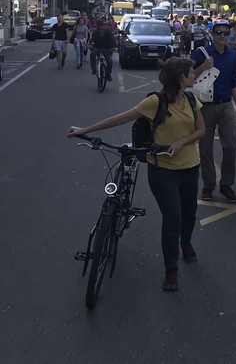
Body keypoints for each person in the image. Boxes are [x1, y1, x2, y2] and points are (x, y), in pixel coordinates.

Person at [67, 57, 205, 292]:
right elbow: (120, 118)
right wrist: (85, 130)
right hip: (163, 171)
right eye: (192, 74)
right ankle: (171, 270)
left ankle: (186, 242)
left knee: (189, 214)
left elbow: (201, 130)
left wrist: (182, 141)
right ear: (182, 78)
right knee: (173, 219)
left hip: (190, 167)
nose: (195, 77)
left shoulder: (192, 100)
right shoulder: (155, 102)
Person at [191, 19, 236, 204]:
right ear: (212, 35)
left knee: (230, 145)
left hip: (225, 105)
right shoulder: (201, 53)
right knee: (205, 148)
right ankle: (208, 184)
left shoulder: (232, 54)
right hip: (204, 106)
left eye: (226, 33)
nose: (222, 36)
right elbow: (188, 78)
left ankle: (226, 185)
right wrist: (202, 67)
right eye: (219, 32)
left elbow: (234, 82)